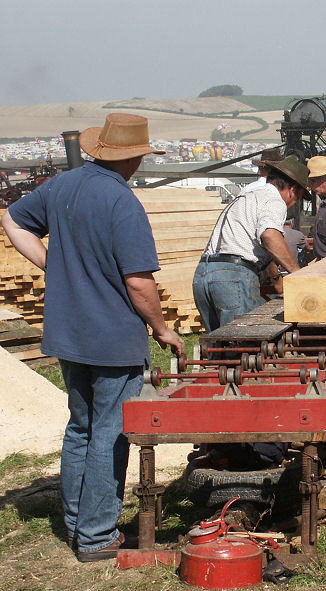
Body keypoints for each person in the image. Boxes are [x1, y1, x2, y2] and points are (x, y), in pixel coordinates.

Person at [0, 113, 185, 562]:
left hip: (67, 331)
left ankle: (78, 524)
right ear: (136, 158)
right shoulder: (123, 203)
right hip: (112, 337)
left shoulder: (61, 187)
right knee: (108, 434)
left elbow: (12, 222)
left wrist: (53, 265)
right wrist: (163, 330)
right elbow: (139, 283)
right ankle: (98, 537)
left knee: (80, 428)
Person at [193, 155, 308, 332]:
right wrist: (297, 273)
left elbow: (256, 247)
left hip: (203, 274)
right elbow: (269, 236)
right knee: (243, 346)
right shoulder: (275, 201)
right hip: (233, 278)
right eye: (298, 198)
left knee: (218, 348)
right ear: (292, 190)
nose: (294, 203)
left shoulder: (248, 197)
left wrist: (277, 282)